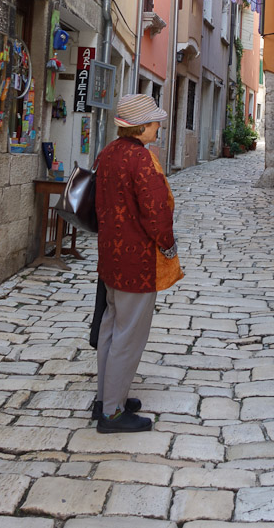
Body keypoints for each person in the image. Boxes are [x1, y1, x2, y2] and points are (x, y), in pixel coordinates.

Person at [93, 93, 182, 433]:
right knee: (128, 336)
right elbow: (156, 213)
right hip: (137, 262)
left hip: (111, 259)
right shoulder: (142, 160)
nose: (159, 126)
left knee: (110, 329)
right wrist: (169, 246)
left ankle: (106, 397)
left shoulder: (109, 153)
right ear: (142, 126)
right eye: (155, 121)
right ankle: (112, 414)